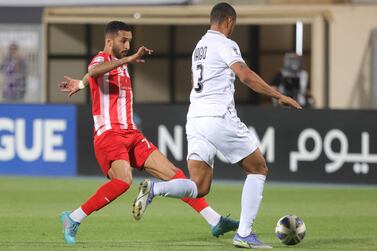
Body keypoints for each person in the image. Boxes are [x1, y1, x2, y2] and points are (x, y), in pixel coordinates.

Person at [133, 2, 302, 249]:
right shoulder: (225, 44)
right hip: (217, 116)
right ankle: (244, 234)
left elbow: (196, 81)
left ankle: (155, 190)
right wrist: (278, 95)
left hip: (195, 119)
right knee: (258, 168)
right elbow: (245, 75)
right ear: (229, 21)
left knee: (199, 186)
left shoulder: (199, 47)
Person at [58, 21, 239, 245]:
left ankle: (214, 220)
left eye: (129, 41)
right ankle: (73, 218)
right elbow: (94, 70)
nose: (127, 45)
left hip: (131, 134)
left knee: (175, 175)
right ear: (109, 41)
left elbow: (91, 77)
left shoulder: (119, 64)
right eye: (123, 41)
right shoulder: (103, 59)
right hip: (109, 134)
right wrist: (127, 59)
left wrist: (81, 84)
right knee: (124, 181)